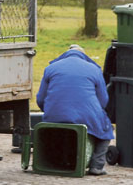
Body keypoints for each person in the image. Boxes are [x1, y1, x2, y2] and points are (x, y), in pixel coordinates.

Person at [36, 44, 114, 176]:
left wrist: (50, 112)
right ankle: (97, 166)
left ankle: (53, 161)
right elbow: (103, 100)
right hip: (87, 117)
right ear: (84, 56)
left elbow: (40, 98)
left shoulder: (50, 68)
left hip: (54, 115)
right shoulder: (94, 69)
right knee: (107, 129)